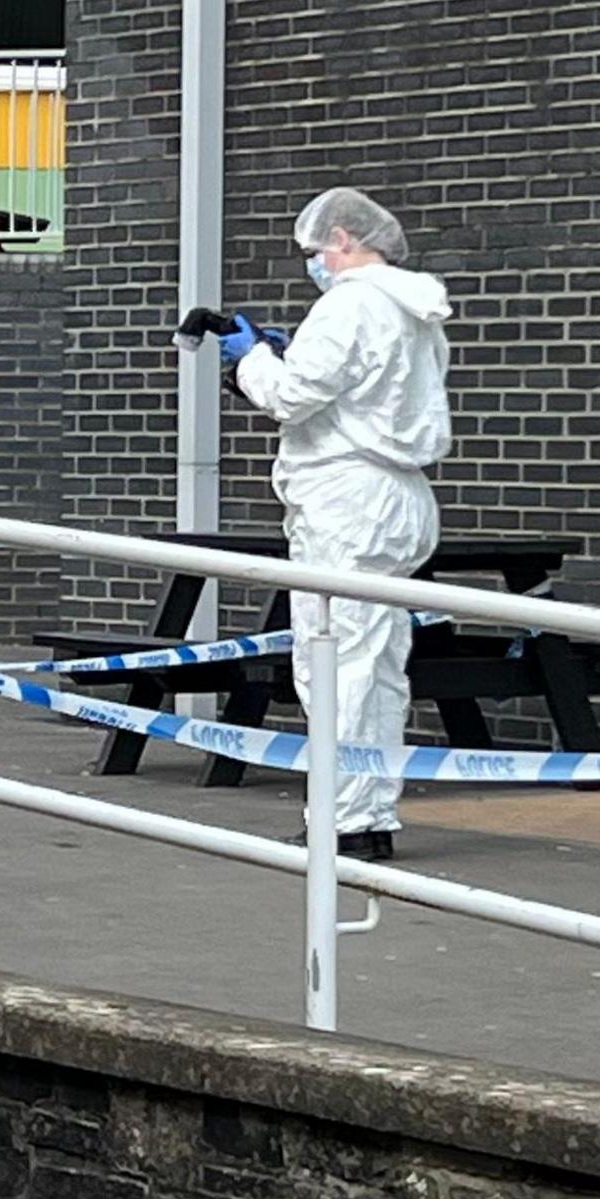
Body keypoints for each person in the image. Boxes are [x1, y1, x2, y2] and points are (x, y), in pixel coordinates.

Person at [207, 190, 453, 860]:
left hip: (348, 501)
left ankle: (343, 823)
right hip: (395, 497)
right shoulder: (415, 310)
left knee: (333, 661)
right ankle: (365, 812)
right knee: (374, 661)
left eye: (315, 251)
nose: (313, 263)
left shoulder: (348, 304)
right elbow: (359, 390)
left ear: (341, 238)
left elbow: (291, 398)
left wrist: (250, 359)